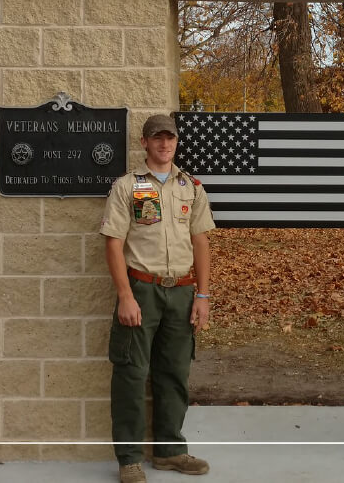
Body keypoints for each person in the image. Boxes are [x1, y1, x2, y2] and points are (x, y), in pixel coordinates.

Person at [99, 114, 214, 483]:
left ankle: (170, 452)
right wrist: (125, 296)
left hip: (181, 291)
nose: (164, 145)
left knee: (174, 373)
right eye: (157, 138)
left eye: (170, 138)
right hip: (142, 291)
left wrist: (203, 295)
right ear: (145, 143)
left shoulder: (191, 187)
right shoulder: (128, 186)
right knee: (132, 375)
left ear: (177, 142)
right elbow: (113, 243)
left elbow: (201, 242)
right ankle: (129, 458)